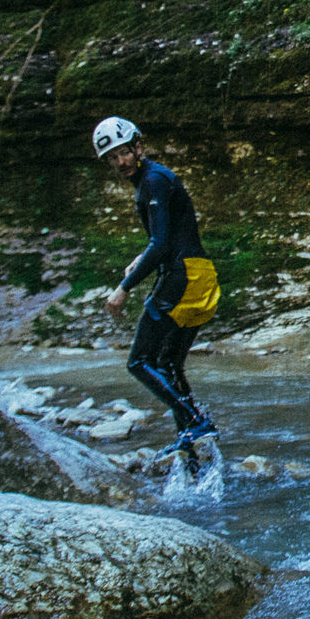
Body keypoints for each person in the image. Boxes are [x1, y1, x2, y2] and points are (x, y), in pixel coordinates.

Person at [94, 116, 221, 455]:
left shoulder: (152, 180)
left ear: (138, 146)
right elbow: (167, 237)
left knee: (139, 361)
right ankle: (191, 449)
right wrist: (142, 255)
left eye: (123, 153)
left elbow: (163, 243)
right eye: (111, 158)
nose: (120, 162)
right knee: (167, 364)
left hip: (185, 277)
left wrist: (124, 287)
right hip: (197, 273)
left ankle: (195, 421)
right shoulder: (154, 179)